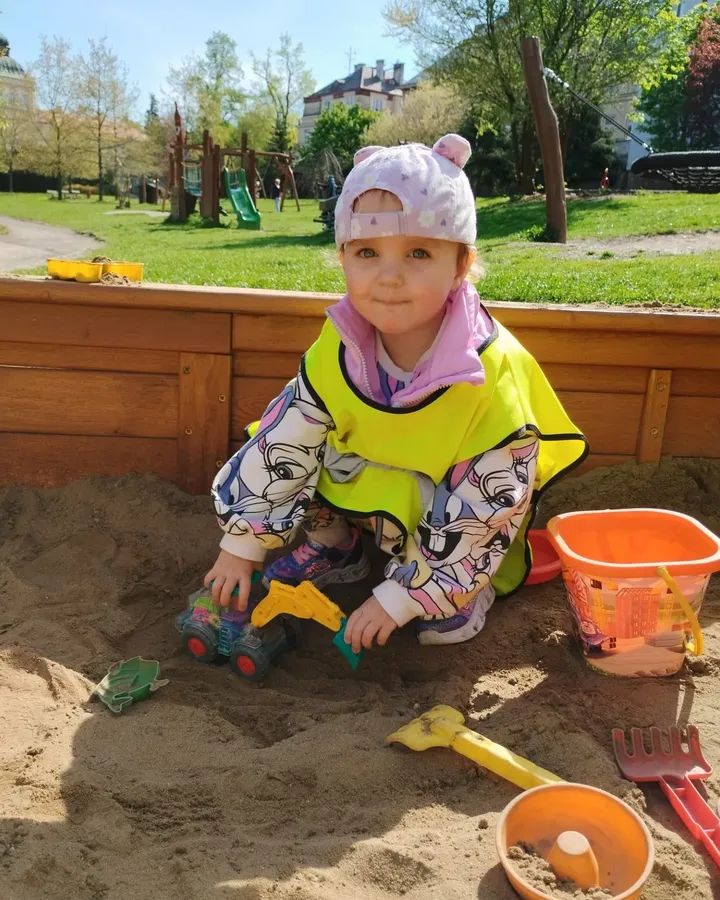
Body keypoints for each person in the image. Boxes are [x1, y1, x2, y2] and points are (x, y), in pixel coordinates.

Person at [204, 134, 587, 654]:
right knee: (293, 431)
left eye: (418, 252)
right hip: (379, 492)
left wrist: (403, 597)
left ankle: (455, 593)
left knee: (448, 575)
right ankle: (337, 547)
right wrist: (243, 542)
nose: (389, 277)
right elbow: (286, 440)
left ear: (461, 264)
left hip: (457, 514)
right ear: (343, 258)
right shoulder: (338, 346)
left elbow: (491, 499)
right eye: (367, 252)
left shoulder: (491, 369)